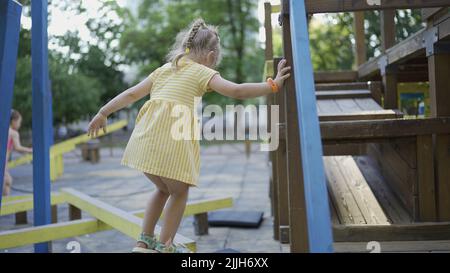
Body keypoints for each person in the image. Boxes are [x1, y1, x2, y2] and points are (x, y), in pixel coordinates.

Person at [87, 19, 291, 253]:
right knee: (179, 191)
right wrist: (273, 85)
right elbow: (236, 90)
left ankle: (144, 241)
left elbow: (132, 93)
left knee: (163, 190)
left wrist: (104, 112)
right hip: (171, 140)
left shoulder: (164, 69)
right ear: (211, 55)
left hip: (145, 141)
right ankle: (165, 245)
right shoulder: (202, 72)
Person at [3, 110, 33, 196]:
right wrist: (30, 150)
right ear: (13, 121)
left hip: (4, 161)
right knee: (7, 180)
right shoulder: (13, 133)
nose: (19, 125)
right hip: (3, 162)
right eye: (19, 122)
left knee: (6, 181)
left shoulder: (4, 130)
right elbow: (18, 148)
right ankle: (6, 204)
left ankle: (6, 202)